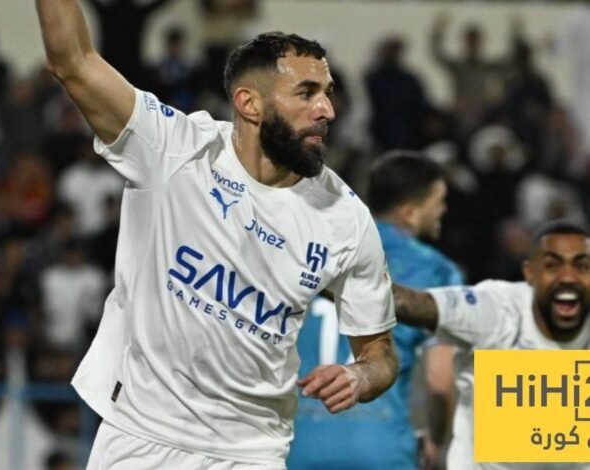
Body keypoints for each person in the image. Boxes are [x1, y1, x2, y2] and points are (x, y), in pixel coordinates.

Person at [34, 1, 399, 468]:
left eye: (327, 93)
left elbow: (380, 353)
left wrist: (360, 377)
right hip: (142, 437)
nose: (327, 109)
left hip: (251, 452)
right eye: (307, 93)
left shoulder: (345, 217)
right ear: (249, 104)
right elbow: (74, 63)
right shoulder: (175, 149)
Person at [291, 151, 463, 470]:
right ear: (410, 212)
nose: (444, 210)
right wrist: (437, 441)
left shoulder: (317, 253)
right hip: (383, 449)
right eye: (439, 201)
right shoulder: (438, 271)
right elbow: (440, 381)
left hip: (299, 445)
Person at [392, 220, 590, 470]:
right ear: (530, 273)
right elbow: (412, 304)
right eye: (552, 265)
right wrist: (347, 280)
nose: (568, 277)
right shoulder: (496, 311)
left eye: (582, 266)